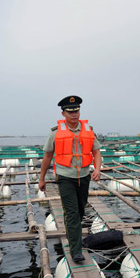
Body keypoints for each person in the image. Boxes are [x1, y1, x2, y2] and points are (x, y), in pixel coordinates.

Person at [39, 95, 101, 263]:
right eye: (70, 112)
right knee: (72, 212)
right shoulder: (55, 132)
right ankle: (76, 250)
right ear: (63, 113)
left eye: (76, 111)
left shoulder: (88, 129)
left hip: (84, 176)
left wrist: (98, 169)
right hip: (65, 176)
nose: (74, 114)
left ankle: (73, 236)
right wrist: (42, 178)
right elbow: (47, 157)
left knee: (80, 210)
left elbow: (96, 152)